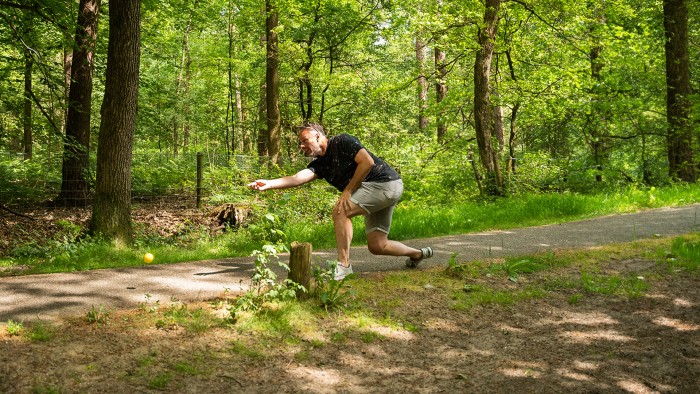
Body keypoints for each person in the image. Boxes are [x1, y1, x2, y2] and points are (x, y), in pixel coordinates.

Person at [248, 123, 433, 280]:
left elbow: (367, 162)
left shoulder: (342, 141)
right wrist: (269, 184)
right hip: (380, 191)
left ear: (318, 136)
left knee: (340, 211)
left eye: (305, 141)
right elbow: (297, 178)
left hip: (385, 183)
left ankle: (344, 266)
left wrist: (348, 191)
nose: (302, 146)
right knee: (377, 245)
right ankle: (418, 254)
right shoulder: (319, 165)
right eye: (300, 143)